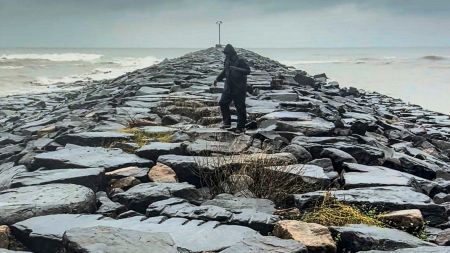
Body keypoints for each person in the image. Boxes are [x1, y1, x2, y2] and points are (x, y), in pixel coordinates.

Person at [213, 44, 251, 134]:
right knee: (223, 103)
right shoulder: (227, 60)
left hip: (239, 87)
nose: (226, 55)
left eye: (227, 53)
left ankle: (241, 127)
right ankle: (227, 122)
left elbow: (248, 71)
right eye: (225, 53)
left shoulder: (240, 60)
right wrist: (217, 79)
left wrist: (236, 68)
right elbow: (225, 71)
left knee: (240, 107)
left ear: (232, 53)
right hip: (228, 87)